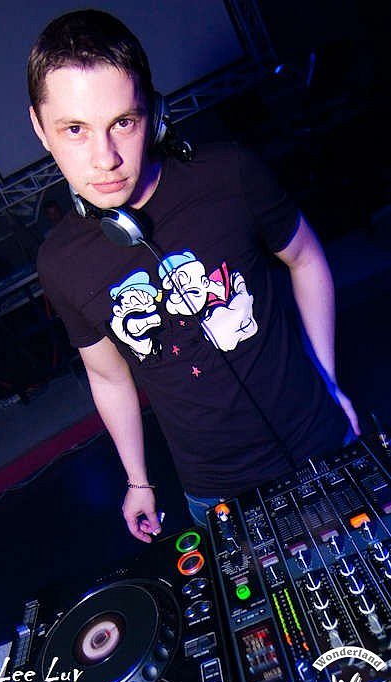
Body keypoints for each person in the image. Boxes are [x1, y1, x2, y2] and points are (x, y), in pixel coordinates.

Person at [29, 9, 359, 543]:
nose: (105, 158)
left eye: (123, 123)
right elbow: (108, 376)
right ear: (40, 129)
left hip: (319, 436)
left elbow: (306, 259)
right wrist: (138, 480)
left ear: (154, 114)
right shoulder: (61, 262)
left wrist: (328, 380)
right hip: (213, 491)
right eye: (75, 130)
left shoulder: (229, 175)